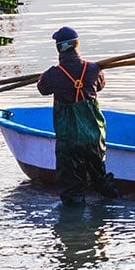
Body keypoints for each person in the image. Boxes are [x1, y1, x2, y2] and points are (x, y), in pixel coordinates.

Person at [36, 26, 118, 206]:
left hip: (69, 140)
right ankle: (112, 202)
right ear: (76, 45)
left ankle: (73, 229)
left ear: (59, 48)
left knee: (71, 191)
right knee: (100, 179)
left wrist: (42, 77)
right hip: (94, 137)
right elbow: (101, 85)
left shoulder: (52, 74)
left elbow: (43, 89)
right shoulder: (94, 69)